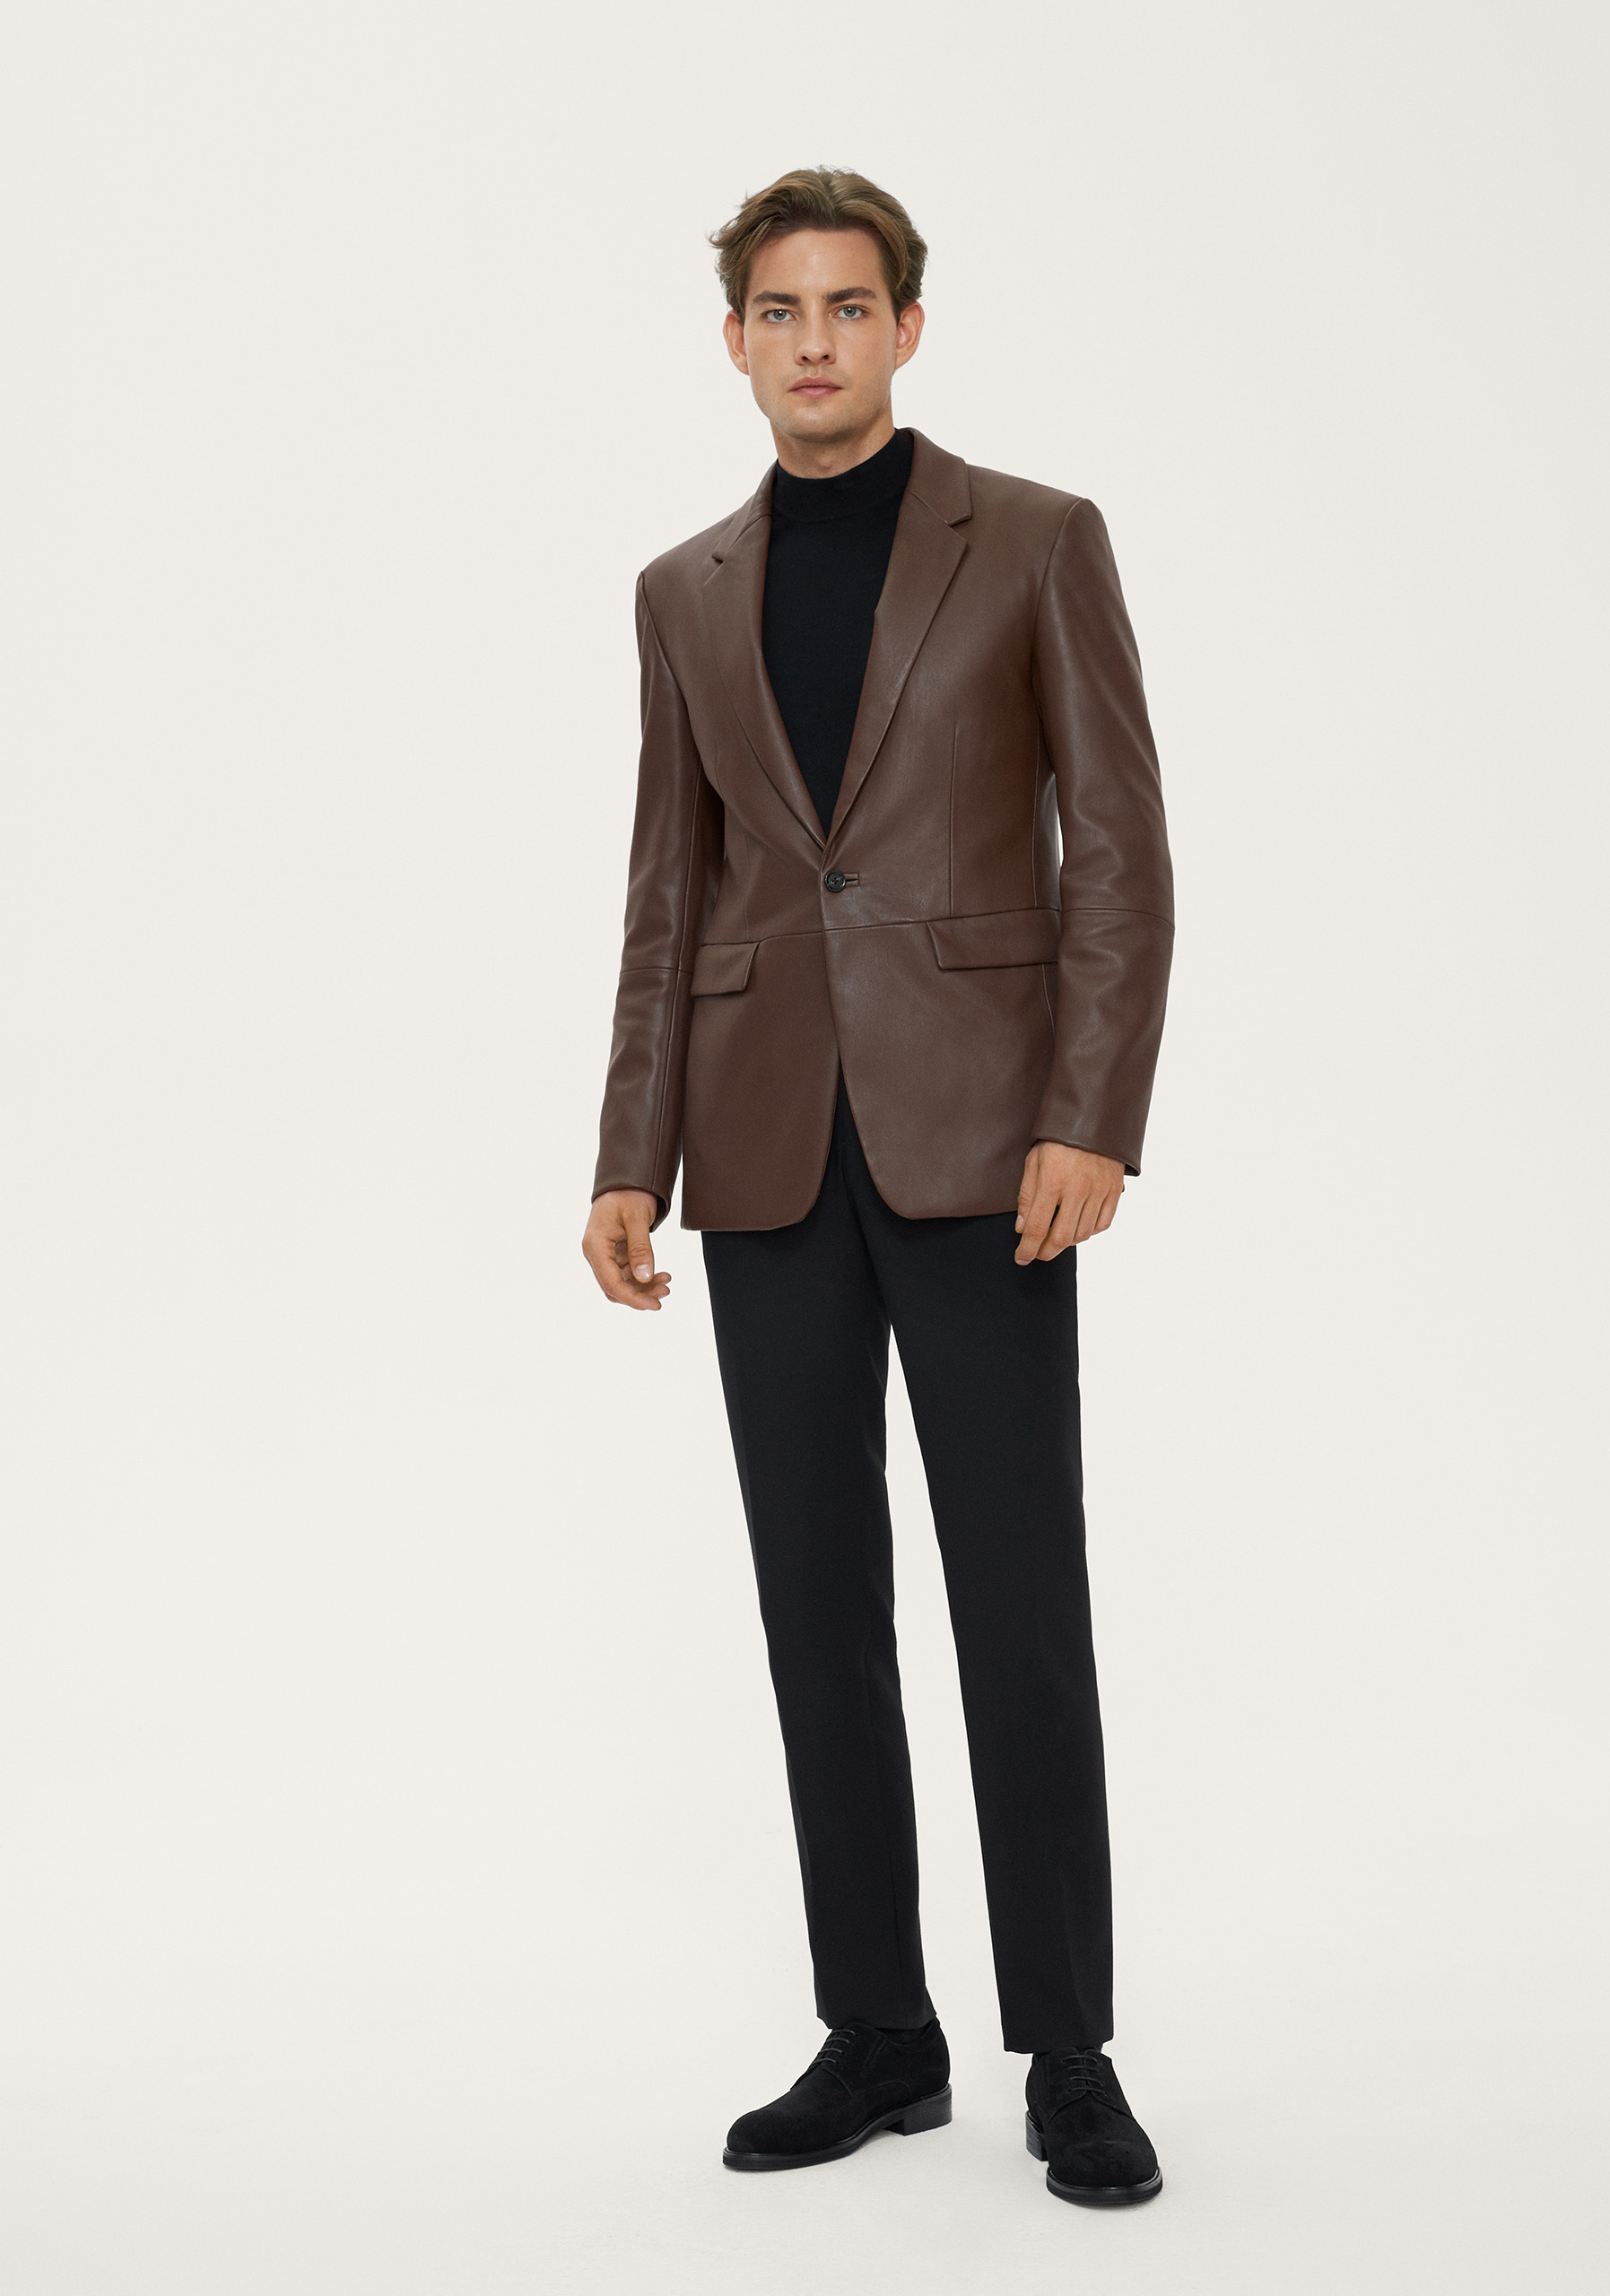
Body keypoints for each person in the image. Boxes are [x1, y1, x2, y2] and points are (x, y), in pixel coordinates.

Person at [583, 167, 1174, 2208]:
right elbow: (671, 891)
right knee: (815, 1603)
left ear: (907, 328)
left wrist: (1091, 1112)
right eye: (781, 310)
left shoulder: (1035, 539)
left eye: (849, 306)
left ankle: (1069, 2049)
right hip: (761, 1148)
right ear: (735, 341)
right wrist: (628, 1152)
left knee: (1018, 1592)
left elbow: (1122, 847)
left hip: (987, 1140)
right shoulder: (681, 591)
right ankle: (881, 2029)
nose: (815, 340)